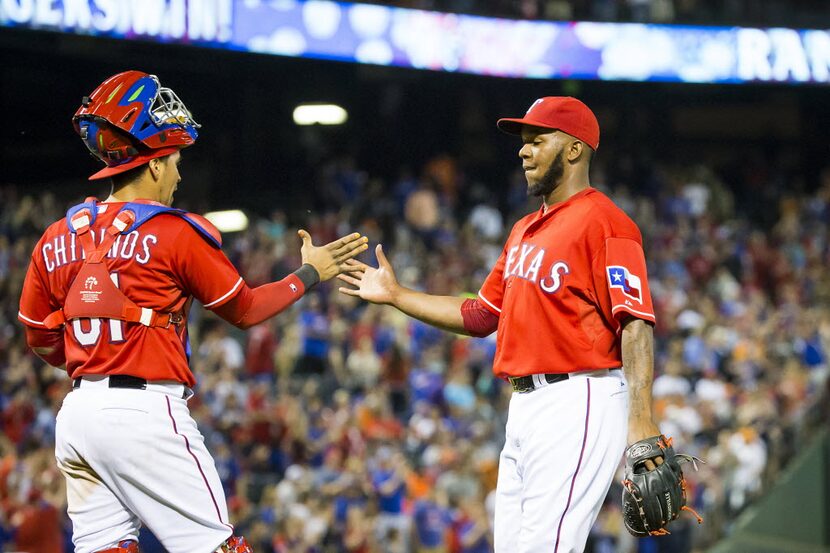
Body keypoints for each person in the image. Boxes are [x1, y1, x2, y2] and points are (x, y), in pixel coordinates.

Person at [17, 70, 368, 553]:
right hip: (143, 410)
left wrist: (93, 359)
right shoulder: (175, 231)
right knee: (216, 547)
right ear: (156, 165)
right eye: (176, 160)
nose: (180, 174)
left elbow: (38, 334)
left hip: (77, 415)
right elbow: (244, 309)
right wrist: (309, 274)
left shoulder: (57, 235)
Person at [339, 96, 663, 552]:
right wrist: (397, 296)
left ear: (573, 149)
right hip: (525, 405)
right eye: (523, 142)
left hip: (580, 396)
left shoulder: (606, 221)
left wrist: (642, 419)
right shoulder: (525, 228)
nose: (523, 151)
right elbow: (480, 315)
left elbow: (635, 322)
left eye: (537, 140)